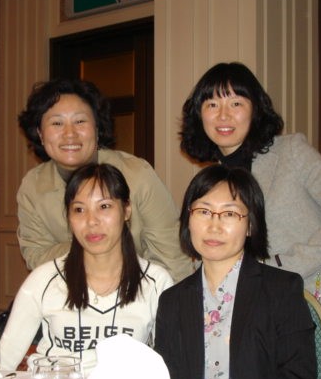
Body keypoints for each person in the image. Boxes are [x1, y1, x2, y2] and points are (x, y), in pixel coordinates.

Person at [180, 62, 321, 319]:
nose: (223, 115)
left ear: (255, 109)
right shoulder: (212, 181)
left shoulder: (290, 152)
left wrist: (288, 265)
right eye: (212, 105)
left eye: (236, 103)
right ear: (199, 114)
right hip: (250, 312)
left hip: (311, 299)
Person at [154, 165, 317, 379]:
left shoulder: (282, 290)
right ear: (188, 219)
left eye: (229, 214)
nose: (214, 226)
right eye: (203, 211)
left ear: (250, 225)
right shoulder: (172, 300)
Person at [0, 163, 173, 373]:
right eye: (79, 210)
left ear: (126, 210)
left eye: (104, 206)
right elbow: (3, 363)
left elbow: (169, 366)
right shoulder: (44, 279)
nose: (91, 221)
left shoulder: (156, 282)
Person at [17, 78, 192, 282]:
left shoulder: (136, 175)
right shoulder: (33, 187)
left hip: (141, 290)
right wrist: (95, 246)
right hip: (68, 294)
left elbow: (172, 258)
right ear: (40, 133)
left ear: (97, 128)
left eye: (80, 121)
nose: (69, 134)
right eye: (57, 123)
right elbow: (37, 257)